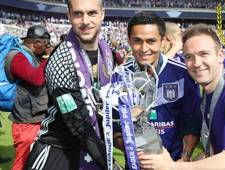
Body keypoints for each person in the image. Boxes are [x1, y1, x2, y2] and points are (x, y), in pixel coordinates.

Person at [139, 24, 225, 170]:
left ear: (220, 55)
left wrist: (171, 166)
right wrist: (183, 161)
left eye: (204, 54)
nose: (196, 63)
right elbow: (213, 152)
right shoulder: (209, 96)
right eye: (189, 57)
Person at [25, 0, 113, 169]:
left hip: (92, 147)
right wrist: (110, 164)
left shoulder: (106, 52)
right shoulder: (61, 60)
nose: (85, 21)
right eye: (78, 14)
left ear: (103, 14)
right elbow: (76, 122)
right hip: (57, 152)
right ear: (69, 16)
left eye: (92, 13)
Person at [113, 11, 201, 166]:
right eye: (137, 41)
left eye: (151, 41)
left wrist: (185, 156)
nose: (144, 48)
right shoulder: (119, 76)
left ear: (162, 40)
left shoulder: (183, 74)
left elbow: (192, 124)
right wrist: (132, 151)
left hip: (173, 164)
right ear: (129, 40)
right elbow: (115, 127)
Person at [6, 25, 50, 170]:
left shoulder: (33, 56)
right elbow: (36, 79)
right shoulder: (17, 56)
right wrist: (48, 59)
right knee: (22, 161)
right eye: (46, 44)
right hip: (25, 121)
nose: (47, 47)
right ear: (36, 42)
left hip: (35, 117)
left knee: (35, 160)